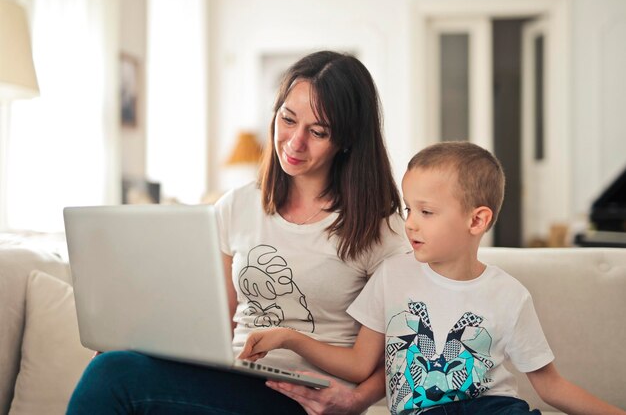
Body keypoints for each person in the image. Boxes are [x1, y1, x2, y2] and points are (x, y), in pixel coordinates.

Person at [66, 50, 411, 415]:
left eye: (318, 132)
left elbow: (403, 350)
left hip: (307, 398)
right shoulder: (238, 205)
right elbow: (214, 321)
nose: (295, 142)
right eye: (288, 119)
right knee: (113, 367)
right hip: (235, 380)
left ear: (347, 139)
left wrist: (357, 401)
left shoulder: (381, 229)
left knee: (112, 377)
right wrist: (134, 342)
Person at [240, 141, 626, 415]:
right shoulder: (393, 275)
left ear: (477, 220)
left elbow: (551, 386)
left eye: (426, 211)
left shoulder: (509, 295)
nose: (409, 223)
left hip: (490, 408)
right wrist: (290, 337)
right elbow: (359, 365)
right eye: (409, 209)